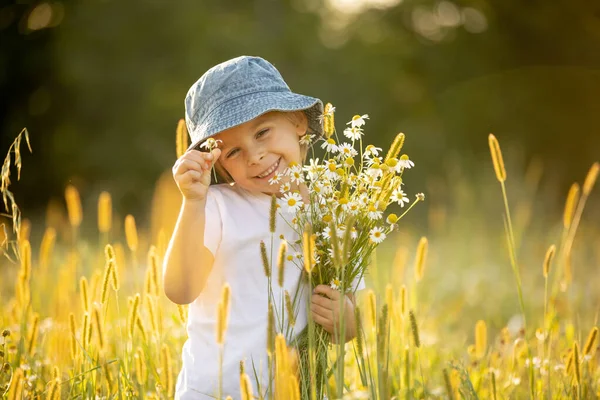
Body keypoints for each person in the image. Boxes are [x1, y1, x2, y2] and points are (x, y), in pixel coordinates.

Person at [162, 56, 365, 400]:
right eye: (234, 151)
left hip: (296, 390)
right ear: (217, 162)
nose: (254, 156)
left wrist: (344, 318)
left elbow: (352, 317)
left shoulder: (334, 211)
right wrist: (192, 203)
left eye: (262, 132)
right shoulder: (216, 207)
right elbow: (180, 290)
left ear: (298, 122)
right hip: (214, 391)